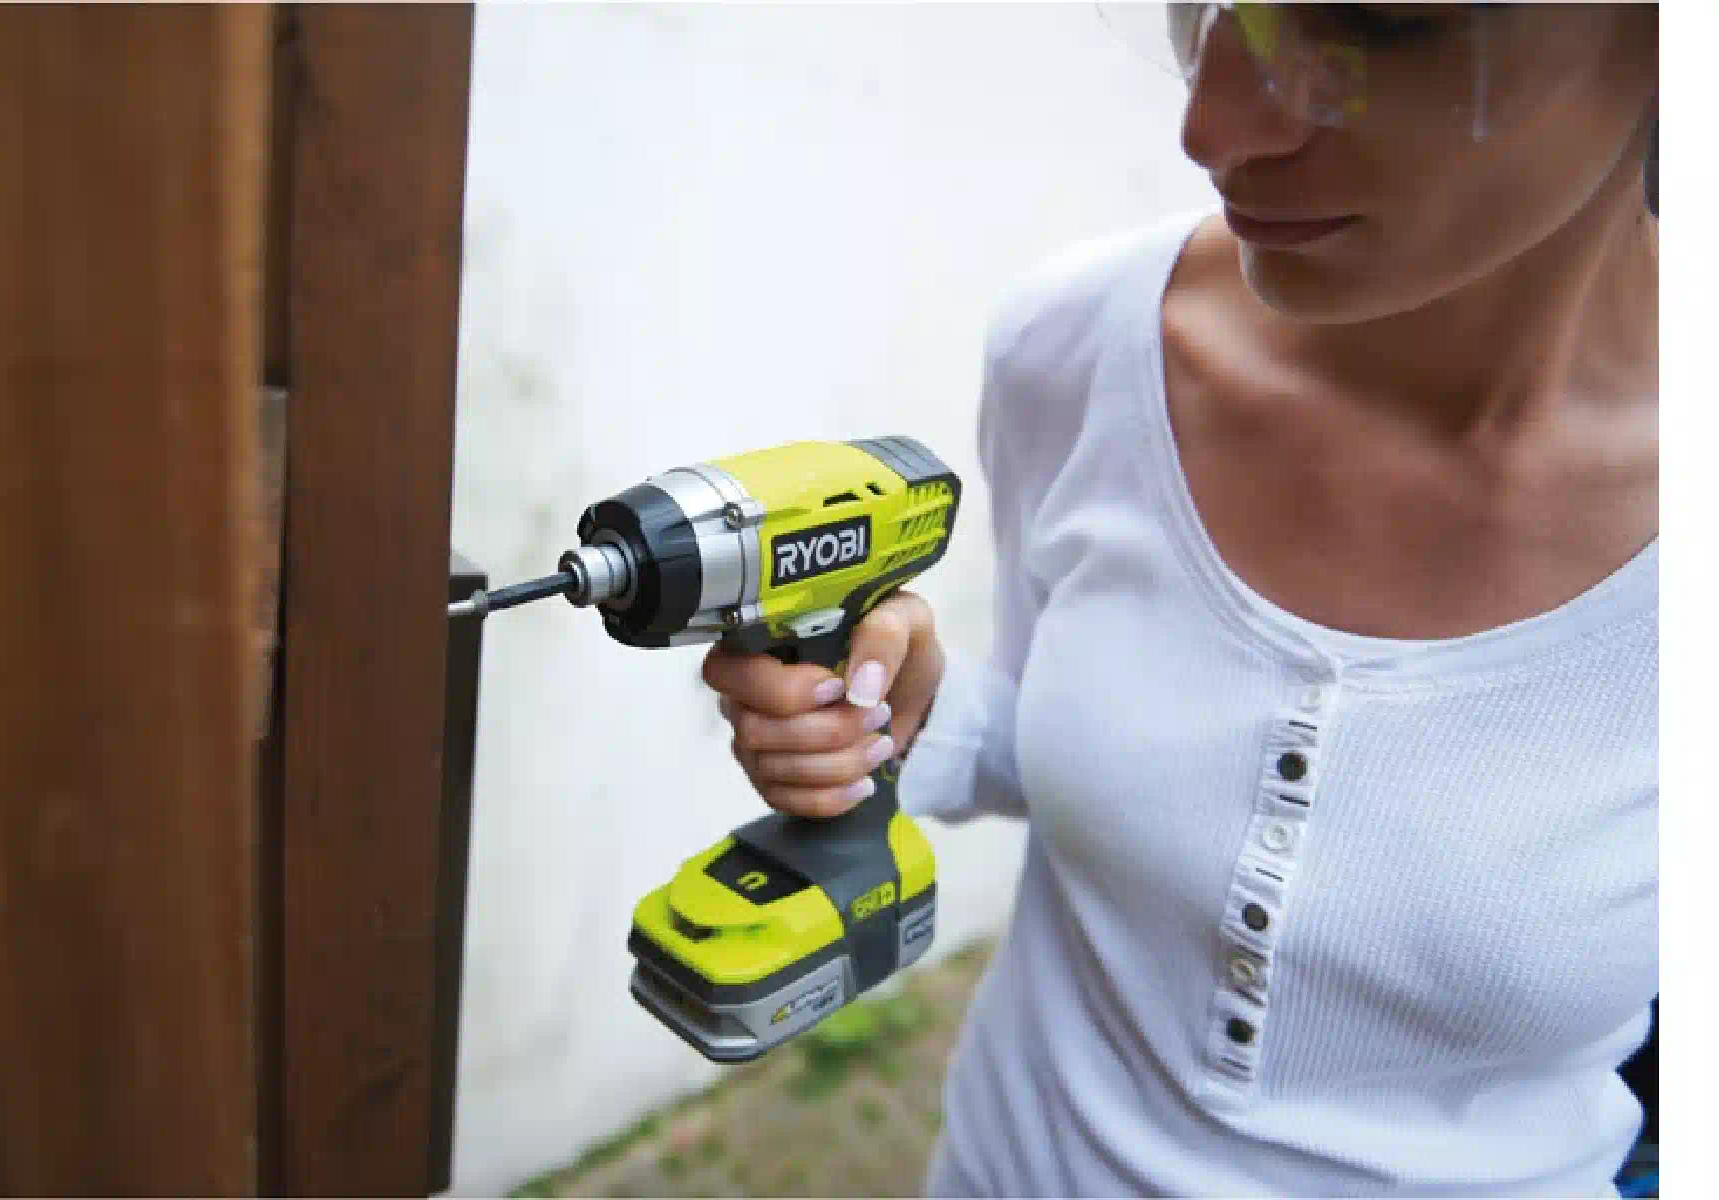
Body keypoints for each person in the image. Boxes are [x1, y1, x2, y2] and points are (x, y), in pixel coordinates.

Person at [701, 4, 1658, 1195]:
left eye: (1379, 21)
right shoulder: (1077, 344)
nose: (1211, 125)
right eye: (1207, 3)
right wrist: (909, 710)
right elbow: (1059, 754)